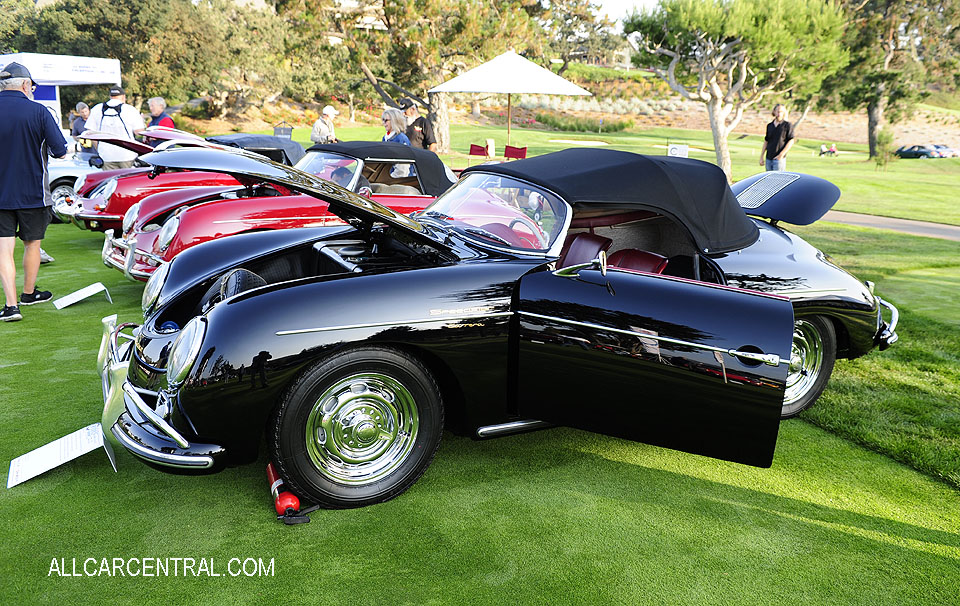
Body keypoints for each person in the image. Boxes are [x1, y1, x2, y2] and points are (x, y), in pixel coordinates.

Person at [0, 62, 67, 322]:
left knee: (3, 249)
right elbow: (59, 149)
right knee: (32, 245)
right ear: (26, 85)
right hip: (34, 193)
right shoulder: (39, 111)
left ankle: (11, 305)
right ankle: (28, 294)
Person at [84, 85, 146, 170]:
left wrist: (99, 149)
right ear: (123, 97)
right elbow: (139, 132)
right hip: (127, 155)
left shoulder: (97, 108)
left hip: (106, 156)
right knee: (127, 181)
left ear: (110, 96)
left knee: (110, 182)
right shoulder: (130, 109)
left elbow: (90, 134)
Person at [759, 103, 795, 171]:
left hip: (779, 159)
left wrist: (781, 154)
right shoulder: (769, 125)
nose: (779, 113)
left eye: (781, 111)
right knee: (768, 180)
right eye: (777, 111)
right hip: (768, 158)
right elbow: (766, 141)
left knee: (778, 180)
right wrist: (761, 157)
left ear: (784, 113)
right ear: (774, 112)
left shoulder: (787, 125)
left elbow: (791, 141)